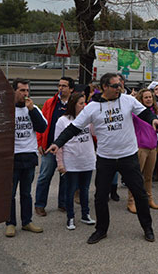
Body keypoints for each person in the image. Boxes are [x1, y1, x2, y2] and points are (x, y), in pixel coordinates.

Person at [48, 73, 158, 244]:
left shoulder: (127, 100)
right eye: (115, 86)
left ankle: (147, 228)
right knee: (101, 197)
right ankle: (101, 230)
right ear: (104, 87)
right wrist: (57, 143)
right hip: (106, 158)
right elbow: (73, 128)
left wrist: (154, 120)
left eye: (120, 85)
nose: (119, 88)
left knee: (140, 194)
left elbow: (145, 113)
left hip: (128, 156)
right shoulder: (92, 108)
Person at [6, 79, 47, 237]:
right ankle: (10, 223)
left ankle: (27, 221)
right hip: (12, 156)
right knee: (10, 193)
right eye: (22, 90)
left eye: (27, 91)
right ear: (14, 91)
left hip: (29, 155)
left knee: (26, 192)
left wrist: (32, 111)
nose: (25, 94)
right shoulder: (7, 109)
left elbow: (42, 128)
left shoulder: (33, 109)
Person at [54, 92, 97, 230]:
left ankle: (85, 214)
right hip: (71, 160)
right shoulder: (63, 121)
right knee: (71, 190)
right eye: (80, 103)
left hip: (87, 159)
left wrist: (95, 119)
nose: (83, 106)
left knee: (85, 189)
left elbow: (95, 133)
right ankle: (70, 217)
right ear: (73, 104)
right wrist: (60, 163)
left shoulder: (88, 119)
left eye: (85, 103)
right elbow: (58, 143)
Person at [34, 77, 74, 216]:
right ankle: (39, 205)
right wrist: (40, 142)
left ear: (71, 89)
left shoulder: (74, 104)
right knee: (45, 176)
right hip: (50, 147)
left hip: (67, 147)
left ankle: (63, 203)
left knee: (65, 176)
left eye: (64, 86)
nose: (60, 88)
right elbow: (41, 124)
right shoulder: (50, 103)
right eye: (59, 85)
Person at [127, 89, 158, 213]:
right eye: (146, 97)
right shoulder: (136, 113)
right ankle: (131, 201)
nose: (148, 99)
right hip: (141, 147)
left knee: (148, 176)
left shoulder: (154, 112)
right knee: (136, 176)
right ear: (141, 100)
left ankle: (149, 198)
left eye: (150, 97)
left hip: (152, 147)